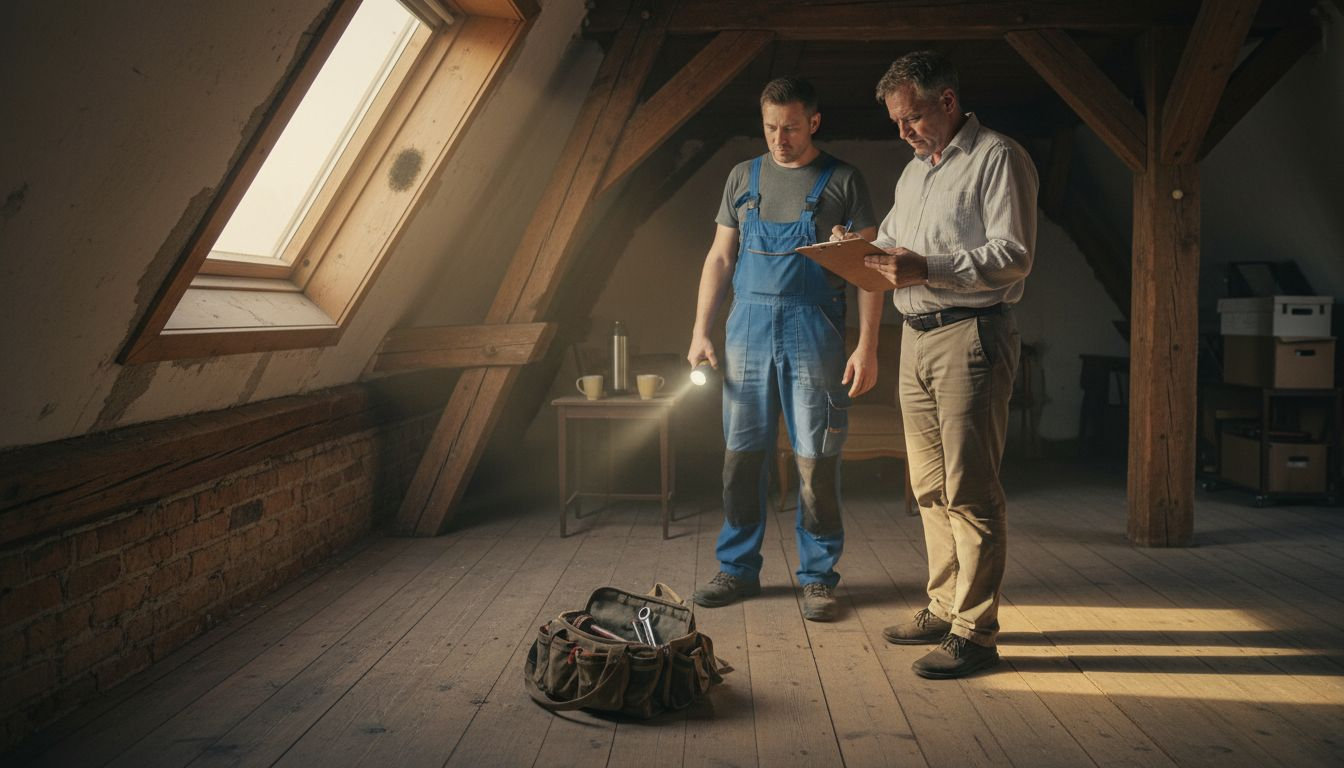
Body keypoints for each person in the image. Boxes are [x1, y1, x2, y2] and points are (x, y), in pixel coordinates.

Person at [844, 51, 1037, 677]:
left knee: (970, 489)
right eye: (896, 122)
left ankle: (976, 633)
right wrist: (856, 250)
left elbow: (1013, 254)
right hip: (916, 338)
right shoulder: (914, 174)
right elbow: (891, 247)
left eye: (913, 117)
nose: (904, 132)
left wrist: (926, 268)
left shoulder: (997, 158)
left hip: (971, 335)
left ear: (948, 101)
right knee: (928, 487)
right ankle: (945, 605)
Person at [686, 77, 884, 622]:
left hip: (813, 328)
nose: (780, 139)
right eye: (771, 127)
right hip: (746, 329)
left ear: (813, 122)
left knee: (816, 457)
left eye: (791, 127)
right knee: (740, 456)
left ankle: (818, 577)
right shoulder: (742, 177)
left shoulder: (842, 180)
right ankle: (737, 568)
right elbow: (720, 258)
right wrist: (701, 330)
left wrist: (867, 346)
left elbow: (870, 268)